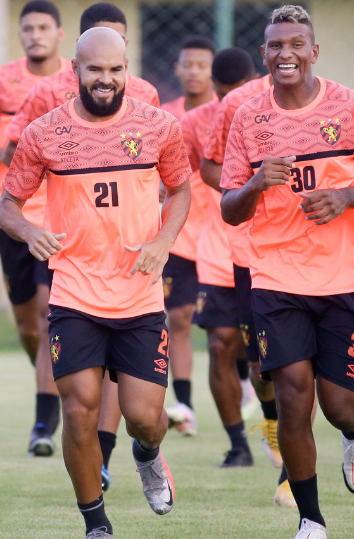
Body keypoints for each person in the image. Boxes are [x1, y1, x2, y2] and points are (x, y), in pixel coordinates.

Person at [220, 5, 354, 539]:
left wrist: (346, 196)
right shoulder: (248, 118)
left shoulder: (350, 107)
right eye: (276, 46)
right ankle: (311, 520)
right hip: (276, 277)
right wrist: (257, 183)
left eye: (296, 44)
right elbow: (229, 208)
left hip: (346, 276)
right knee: (292, 395)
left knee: (339, 404)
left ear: (314, 51)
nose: (286, 54)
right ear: (264, 55)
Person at [0, 26, 191, 539]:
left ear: (127, 68)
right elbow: (7, 205)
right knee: (80, 409)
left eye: (115, 69)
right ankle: (96, 524)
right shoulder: (44, 132)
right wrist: (29, 230)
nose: (105, 80)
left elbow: (181, 190)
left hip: (139, 293)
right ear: (75, 71)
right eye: (95, 70)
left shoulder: (159, 127)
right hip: (75, 292)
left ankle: (147, 454)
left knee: (144, 417)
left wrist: (163, 241)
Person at [0, 0, 68, 457]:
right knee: (28, 326)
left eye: (44, 27)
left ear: (60, 34)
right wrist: (0, 154)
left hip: (60, 219)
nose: (35, 34)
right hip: (12, 217)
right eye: (28, 28)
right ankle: (50, 376)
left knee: (48, 315)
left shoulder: (78, 82)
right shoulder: (1, 81)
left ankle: (44, 422)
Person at [199, 45, 288, 505]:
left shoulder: (334, 104)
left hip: (285, 252)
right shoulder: (228, 109)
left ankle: (287, 457)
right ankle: (250, 436)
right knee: (235, 353)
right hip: (223, 248)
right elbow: (208, 168)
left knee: (278, 364)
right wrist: (247, 188)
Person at [184, 47, 258, 467]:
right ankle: (238, 444)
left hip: (266, 249)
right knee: (219, 343)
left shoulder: (276, 113)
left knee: (265, 358)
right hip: (216, 246)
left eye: (241, 90)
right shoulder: (195, 124)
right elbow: (177, 173)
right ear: (215, 90)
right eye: (225, 91)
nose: (233, 98)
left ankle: (271, 422)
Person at [159, 35, 216, 437]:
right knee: (176, 318)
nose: (194, 71)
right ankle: (185, 405)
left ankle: (250, 392)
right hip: (178, 235)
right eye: (187, 64)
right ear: (177, 69)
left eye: (202, 64)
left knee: (226, 332)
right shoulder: (164, 117)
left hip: (221, 237)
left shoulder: (228, 113)